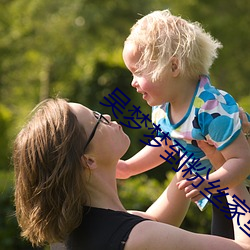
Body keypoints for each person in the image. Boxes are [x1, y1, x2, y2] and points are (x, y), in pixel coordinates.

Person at [13, 98, 250, 250]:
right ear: (88, 160)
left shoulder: (72, 234)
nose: (106, 116)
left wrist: (194, 140)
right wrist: (230, 171)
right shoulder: (138, 238)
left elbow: (154, 221)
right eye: (97, 120)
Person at [119, 9, 250, 238]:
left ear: (173, 67)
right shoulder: (163, 108)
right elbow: (167, 143)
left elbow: (242, 160)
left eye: (138, 72)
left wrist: (209, 183)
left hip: (239, 186)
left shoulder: (211, 108)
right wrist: (130, 167)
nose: (133, 82)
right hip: (220, 185)